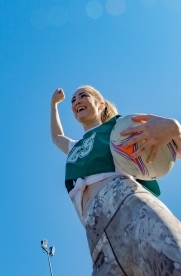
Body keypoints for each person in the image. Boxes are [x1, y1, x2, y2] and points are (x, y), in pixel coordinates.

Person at [51, 85, 181, 276]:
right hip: (96, 237)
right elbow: (56, 137)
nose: (76, 101)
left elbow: (173, 147)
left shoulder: (118, 126)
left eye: (83, 95)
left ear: (101, 104)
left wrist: (174, 129)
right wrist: (53, 104)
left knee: (172, 262)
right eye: (73, 100)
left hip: (126, 202)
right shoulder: (74, 147)